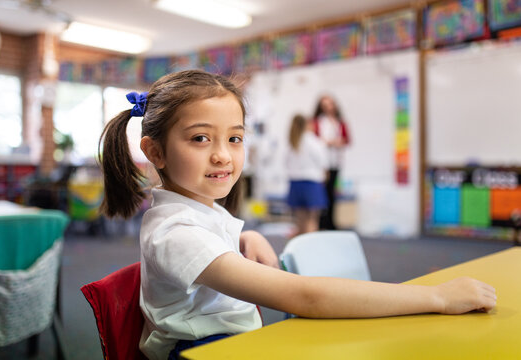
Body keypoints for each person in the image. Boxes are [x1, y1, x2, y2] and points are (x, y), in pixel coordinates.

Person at [99, 70, 496, 360]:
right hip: (202, 350)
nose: (223, 154)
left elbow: (203, 246)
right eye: (201, 138)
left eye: (234, 138)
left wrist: (242, 239)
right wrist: (436, 296)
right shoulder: (175, 232)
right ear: (155, 153)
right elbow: (305, 295)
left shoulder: (197, 210)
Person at [312, 95, 350, 230]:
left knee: (332, 193)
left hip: (335, 162)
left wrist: (337, 142)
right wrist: (327, 142)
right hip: (321, 164)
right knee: (321, 193)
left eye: (330, 104)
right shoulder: (317, 122)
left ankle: (330, 222)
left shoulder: (340, 122)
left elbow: (347, 139)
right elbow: (313, 140)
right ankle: (321, 222)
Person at [286, 114, 328, 235]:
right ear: (307, 125)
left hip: (295, 183)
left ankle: (300, 248)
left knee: (300, 220)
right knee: (312, 219)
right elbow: (323, 161)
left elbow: (286, 163)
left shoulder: (292, 142)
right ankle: (310, 248)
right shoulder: (313, 141)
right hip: (311, 183)